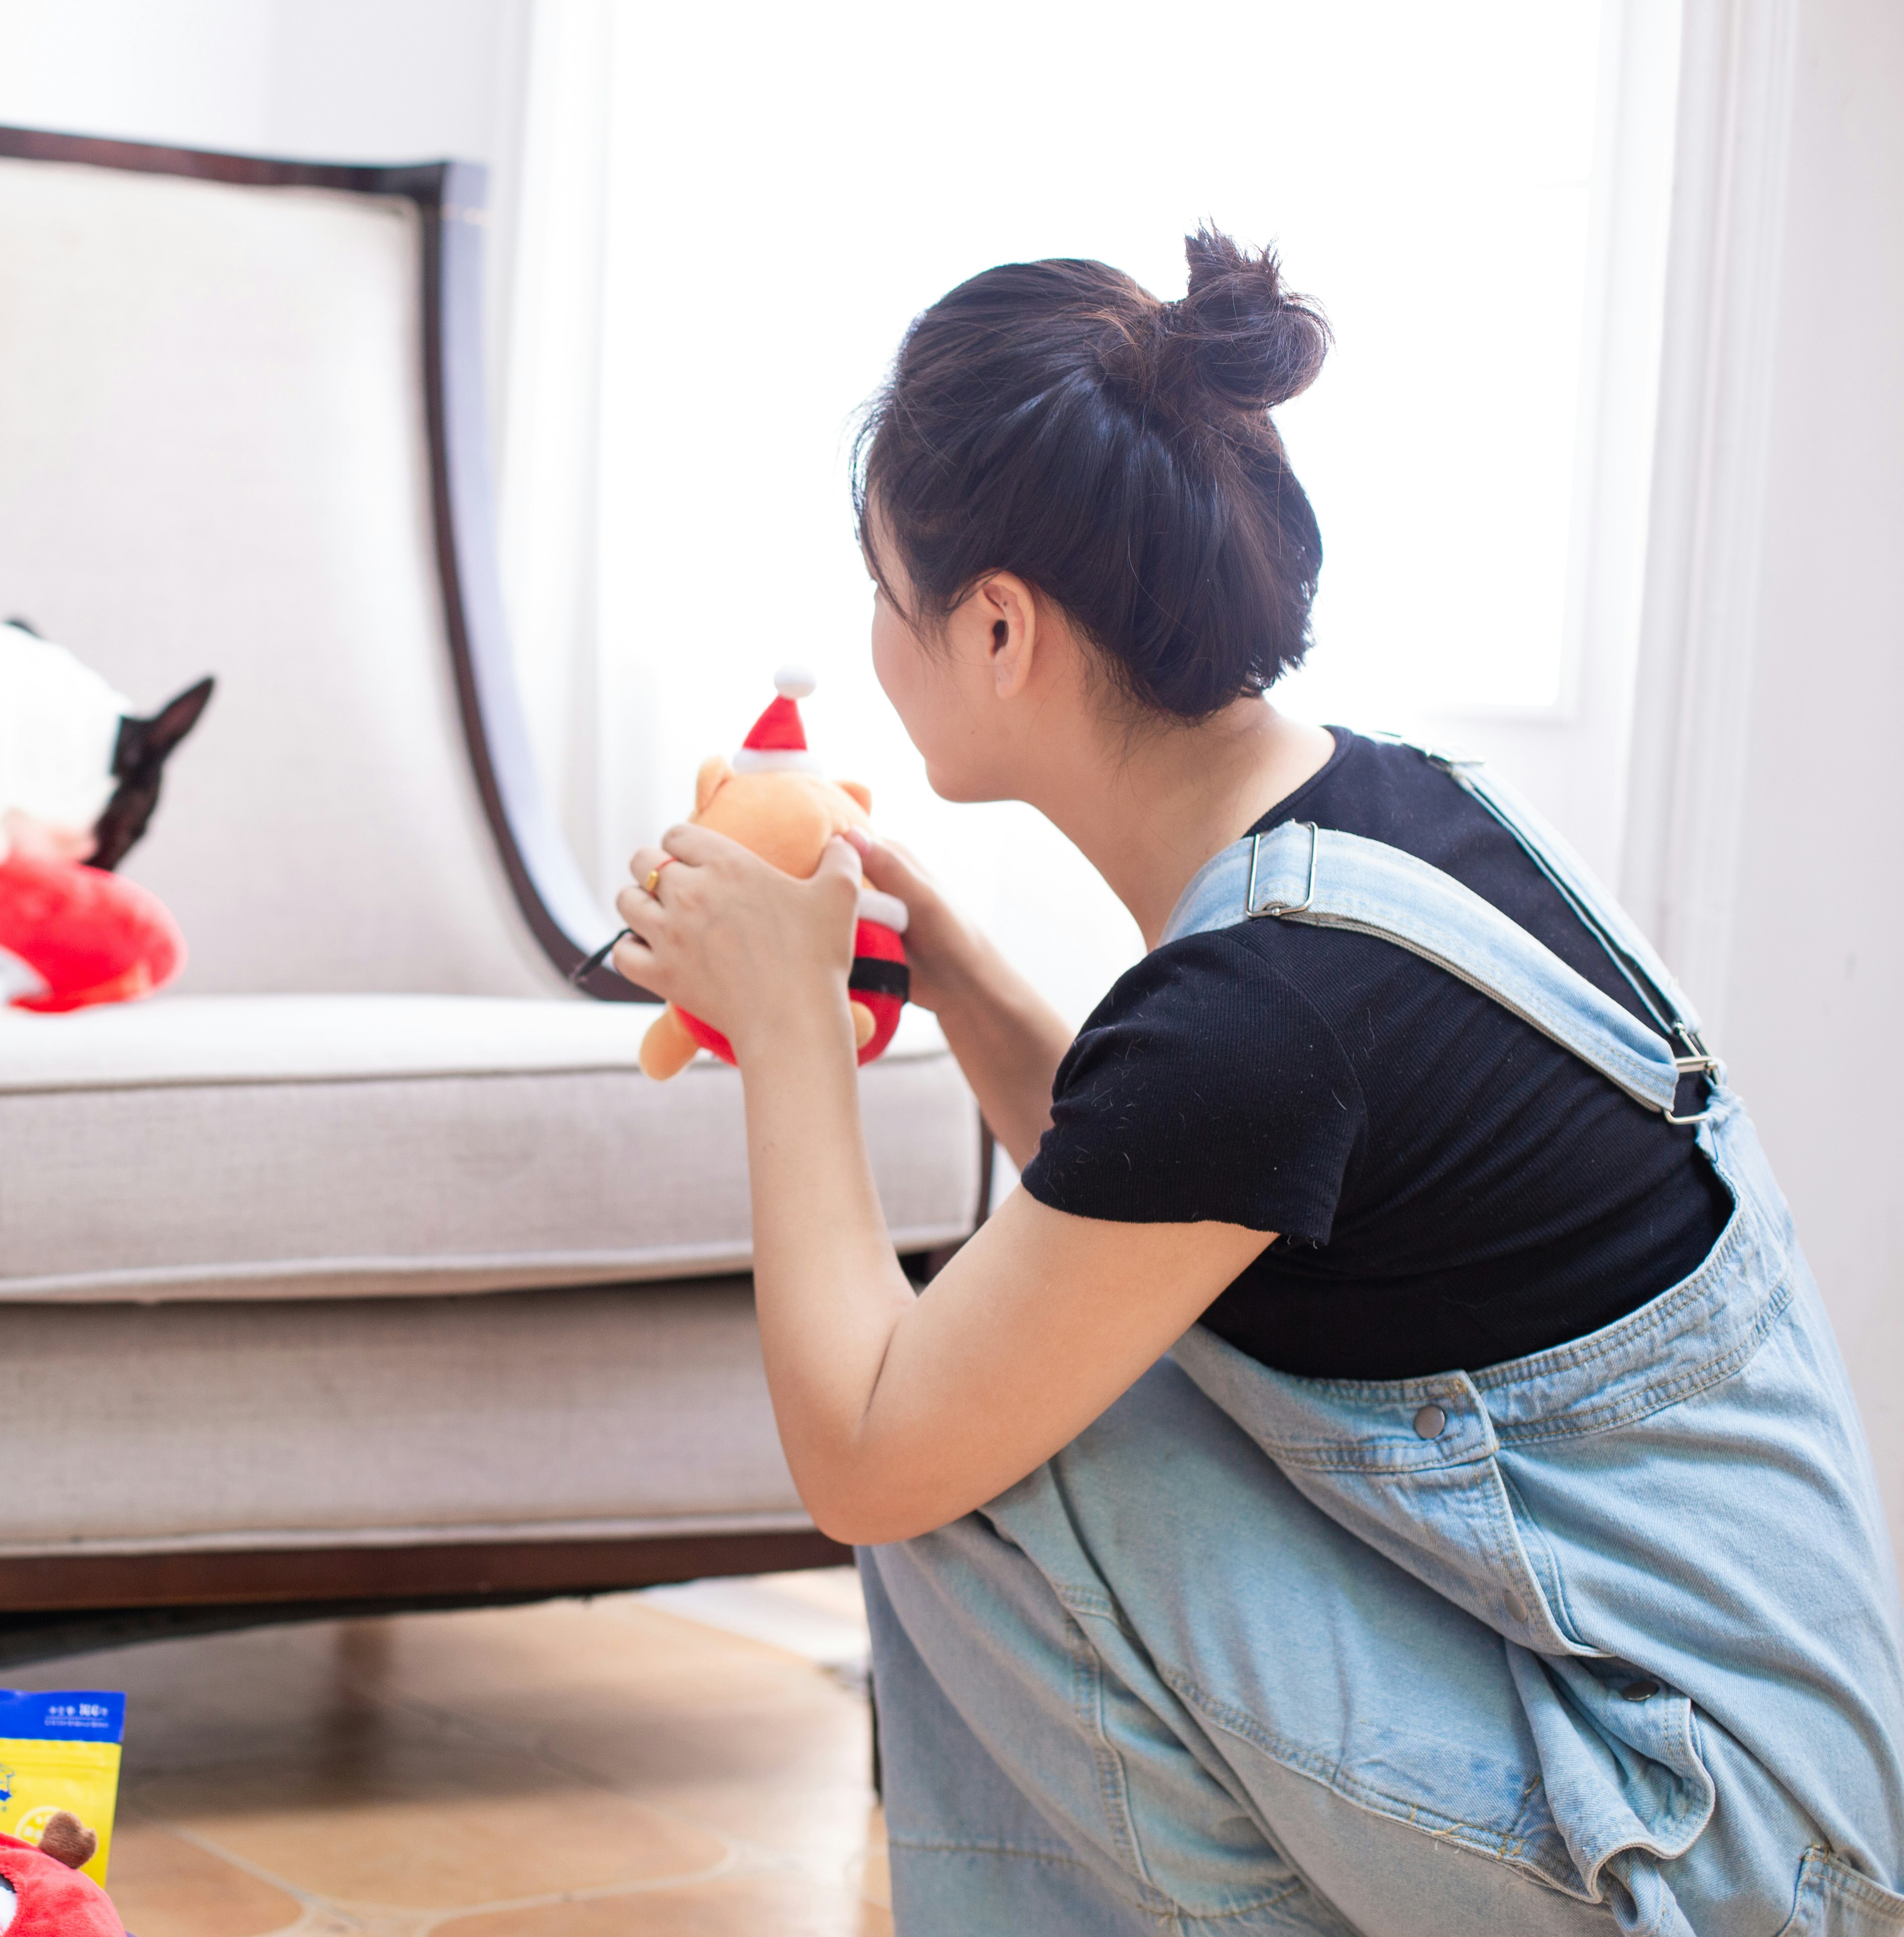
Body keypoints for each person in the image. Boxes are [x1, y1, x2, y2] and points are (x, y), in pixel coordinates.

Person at [609, 227, 1904, 1935]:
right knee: (1022, 1377)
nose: (873, 629)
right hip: (1757, 1778)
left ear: (999, 629)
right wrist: (958, 976)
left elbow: (867, 1453)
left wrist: (788, 1040)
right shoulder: (1384, 822)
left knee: (973, 1458)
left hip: (1703, 1856)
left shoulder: (1259, 1016)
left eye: (883, 581)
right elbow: (1169, 1201)